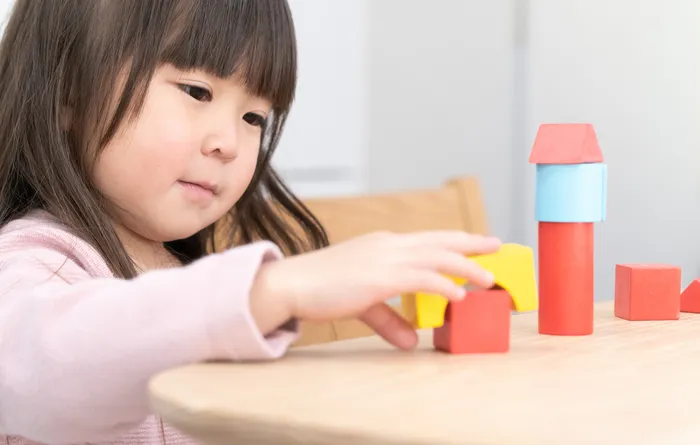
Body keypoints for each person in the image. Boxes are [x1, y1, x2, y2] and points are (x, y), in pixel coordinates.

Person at [0, 0, 501, 444]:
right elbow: (41, 364)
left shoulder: (189, 272)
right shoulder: (31, 263)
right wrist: (273, 290)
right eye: (197, 91)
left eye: (254, 118)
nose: (230, 143)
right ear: (68, 90)